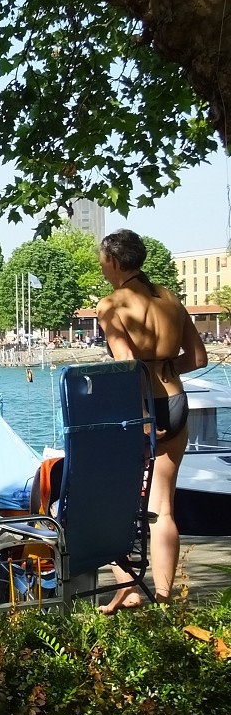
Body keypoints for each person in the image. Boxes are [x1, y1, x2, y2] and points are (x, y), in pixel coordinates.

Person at [95, 229, 207, 611]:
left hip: (141, 407)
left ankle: (126, 586)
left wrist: (143, 417)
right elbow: (198, 358)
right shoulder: (170, 298)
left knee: (103, 500)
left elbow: (128, 366)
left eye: (102, 260)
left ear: (112, 261)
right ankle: (162, 597)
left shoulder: (111, 305)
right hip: (176, 399)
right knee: (164, 506)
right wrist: (164, 365)